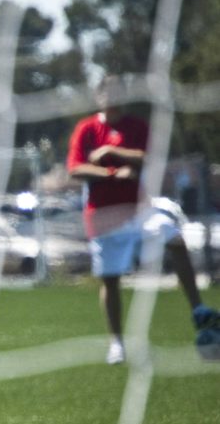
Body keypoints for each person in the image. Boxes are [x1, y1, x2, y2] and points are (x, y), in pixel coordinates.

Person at [66, 74, 219, 364]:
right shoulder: (86, 129)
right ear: (99, 97)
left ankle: (198, 309)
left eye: (118, 91)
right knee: (110, 281)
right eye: (107, 91)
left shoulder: (137, 127)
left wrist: (112, 152)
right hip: (102, 216)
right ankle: (117, 343)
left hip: (138, 211)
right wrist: (113, 173)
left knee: (174, 238)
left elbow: (150, 157)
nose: (113, 96)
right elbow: (75, 169)